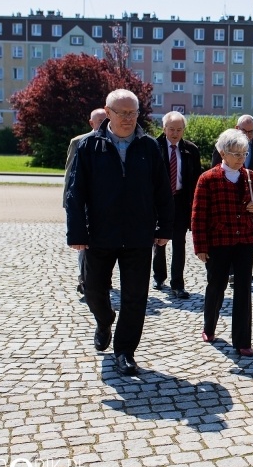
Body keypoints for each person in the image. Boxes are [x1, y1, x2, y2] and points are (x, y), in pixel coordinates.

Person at [66, 89, 174, 376]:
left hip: (138, 236)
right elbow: (75, 193)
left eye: (133, 113)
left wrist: (164, 227)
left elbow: (163, 191)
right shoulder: (89, 146)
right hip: (99, 234)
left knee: (136, 296)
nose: (128, 118)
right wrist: (77, 233)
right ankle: (104, 321)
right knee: (93, 290)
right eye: (122, 112)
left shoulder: (149, 147)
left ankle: (125, 351)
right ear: (108, 112)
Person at [192, 129, 253, 357]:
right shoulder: (208, 178)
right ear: (222, 152)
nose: (241, 158)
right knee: (216, 286)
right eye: (236, 153)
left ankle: (242, 340)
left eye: (244, 153)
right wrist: (200, 247)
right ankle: (209, 325)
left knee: (244, 289)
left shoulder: (252, 177)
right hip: (218, 242)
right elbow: (198, 215)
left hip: (245, 241)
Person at [152, 111, 202, 298]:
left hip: (181, 201)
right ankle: (159, 276)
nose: (175, 133)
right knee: (159, 240)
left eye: (179, 130)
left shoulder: (191, 150)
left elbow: (196, 179)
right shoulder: (154, 147)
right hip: (159, 202)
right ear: (164, 128)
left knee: (179, 243)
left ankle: (177, 284)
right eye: (171, 129)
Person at [64, 107, 107, 295]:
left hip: (106, 206)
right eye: (99, 121)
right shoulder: (79, 142)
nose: (103, 124)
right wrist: (69, 204)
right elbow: (70, 177)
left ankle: (102, 279)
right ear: (91, 123)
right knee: (84, 246)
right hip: (85, 205)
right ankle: (83, 279)